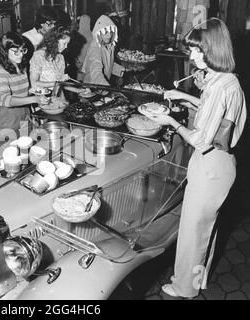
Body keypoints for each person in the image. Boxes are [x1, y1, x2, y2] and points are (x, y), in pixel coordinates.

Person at [147, 18, 247, 298]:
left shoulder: (217, 86)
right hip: (224, 165)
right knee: (206, 230)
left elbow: (200, 140)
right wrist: (184, 96)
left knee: (192, 233)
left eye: (196, 51)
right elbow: (214, 111)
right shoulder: (228, 80)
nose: (191, 56)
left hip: (210, 165)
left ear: (211, 51)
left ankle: (182, 289)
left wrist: (170, 120)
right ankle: (197, 281)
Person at [0, 32, 48, 138]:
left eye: (23, 50)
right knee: (9, 151)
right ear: (5, 51)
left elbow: (25, 91)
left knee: (25, 150)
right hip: (8, 117)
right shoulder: (0, 70)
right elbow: (6, 100)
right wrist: (34, 99)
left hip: (25, 113)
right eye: (16, 51)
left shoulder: (22, 67)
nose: (21, 54)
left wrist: (38, 92)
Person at [30, 26, 86, 96]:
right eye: (64, 43)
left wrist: (79, 90)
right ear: (55, 41)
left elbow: (61, 85)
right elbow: (34, 83)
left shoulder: (60, 57)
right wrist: (59, 82)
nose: (66, 47)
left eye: (67, 44)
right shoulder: (39, 55)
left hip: (59, 99)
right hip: (44, 100)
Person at [81, 15, 125, 87]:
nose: (109, 35)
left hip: (102, 86)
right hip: (91, 88)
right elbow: (96, 73)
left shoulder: (109, 45)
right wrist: (109, 90)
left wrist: (123, 70)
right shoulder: (95, 48)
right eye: (106, 32)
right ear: (99, 32)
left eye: (111, 32)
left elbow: (107, 64)